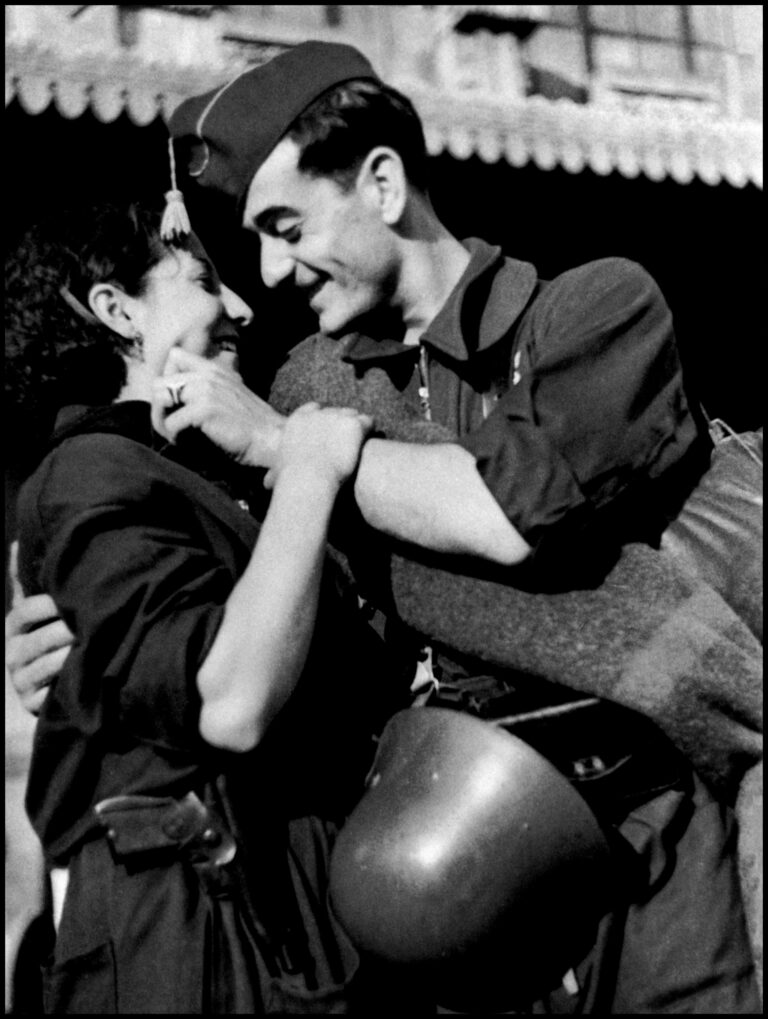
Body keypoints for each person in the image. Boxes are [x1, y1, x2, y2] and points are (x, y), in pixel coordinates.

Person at [7, 41, 762, 1012]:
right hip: (452, 903)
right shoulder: (311, 384)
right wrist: (77, 643)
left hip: (660, 865)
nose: (269, 272)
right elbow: (193, 591)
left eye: (285, 225)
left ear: (382, 181)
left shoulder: (591, 311)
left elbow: (512, 511)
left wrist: (301, 449)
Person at [4, 199, 412, 1014]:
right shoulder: (96, 472)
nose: (243, 307)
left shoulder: (196, 470)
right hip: (205, 931)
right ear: (118, 310)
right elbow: (226, 700)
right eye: (201, 281)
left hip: (289, 913)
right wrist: (304, 469)